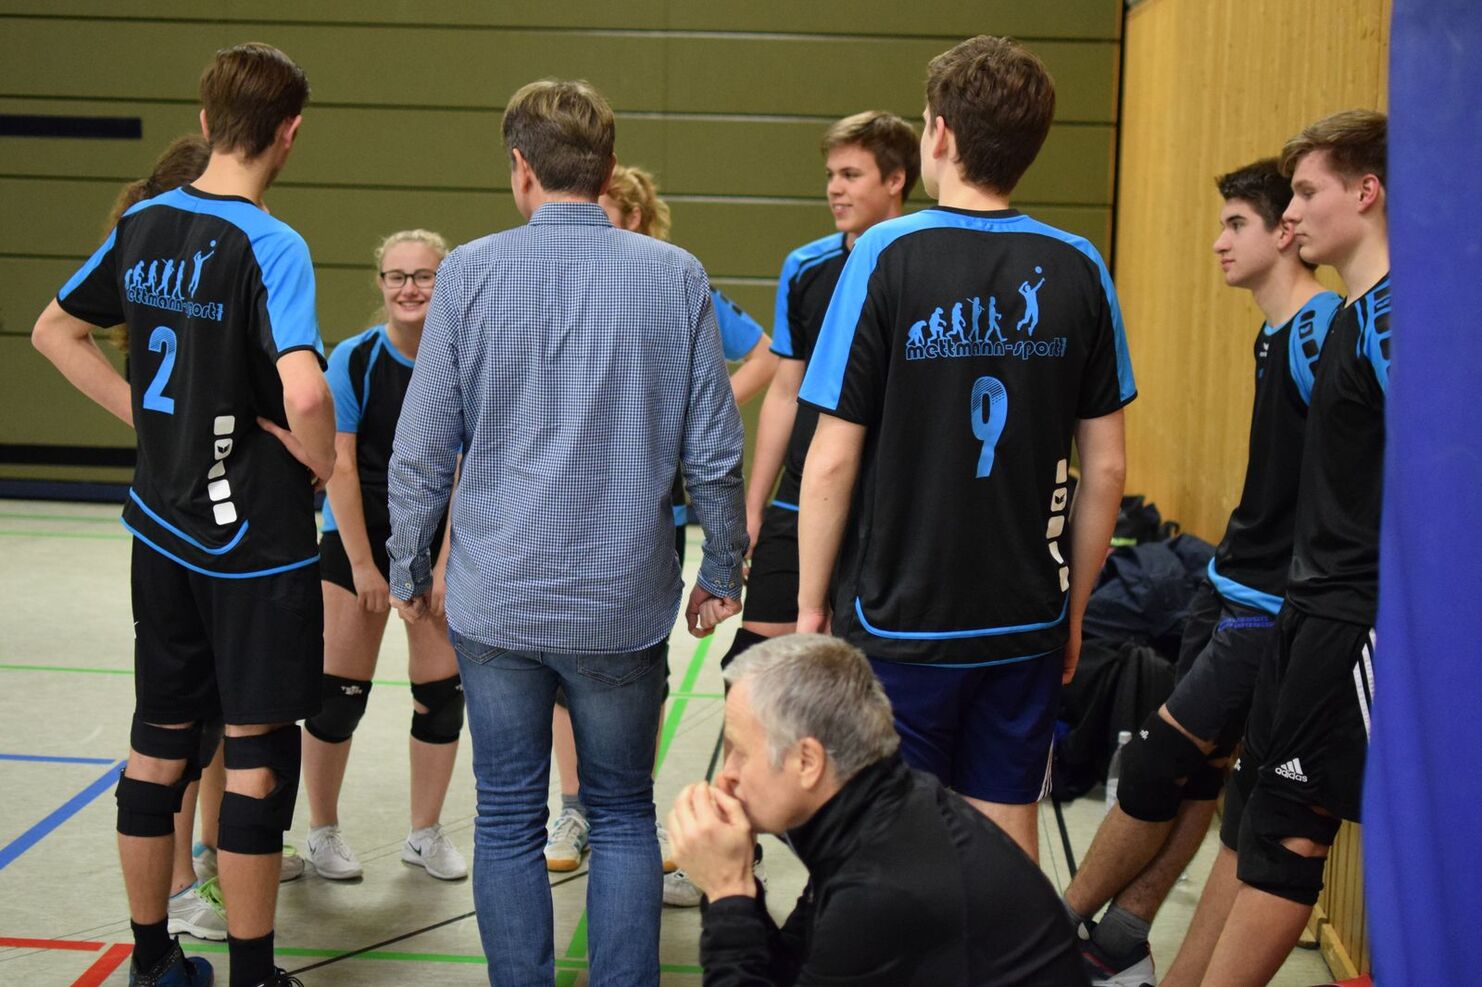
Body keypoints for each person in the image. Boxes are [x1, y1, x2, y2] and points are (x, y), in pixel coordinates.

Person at [385, 79, 746, 987]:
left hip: (496, 600)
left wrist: (406, 563)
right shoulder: (676, 276)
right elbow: (715, 450)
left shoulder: (467, 272)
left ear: (520, 169)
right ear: (609, 168)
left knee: (506, 813)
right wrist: (724, 565)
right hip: (623, 600)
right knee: (624, 811)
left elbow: (421, 449)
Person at [31, 42, 331, 987]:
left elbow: (54, 329)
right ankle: (253, 970)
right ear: (289, 134)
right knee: (254, 752)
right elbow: (308, 392)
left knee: (158, 740)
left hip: (157, 533)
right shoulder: (270, 244)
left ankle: (154, 958)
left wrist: (148, 418)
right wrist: (317, 462)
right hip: (253, 547)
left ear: (204, 123)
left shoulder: (145, 219)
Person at [795, 35, 1134, 862]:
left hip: (900, 615)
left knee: (891, 843)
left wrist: (809, 608)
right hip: (1025, 617)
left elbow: (833, 455)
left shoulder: (881, 254)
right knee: (1004, 833)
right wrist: (1076, 608)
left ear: (938, 135)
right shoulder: (1082, 265)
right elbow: (1109, 469)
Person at [1062, 160, 1340, 987]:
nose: (1218, 242)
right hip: (1227, 580)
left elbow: (1352, 474)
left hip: (1271, 605)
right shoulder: (1273, 329)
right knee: (1197, 778)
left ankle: (1055, 926)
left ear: (1285, 233)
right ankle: (1122, 944)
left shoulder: (1321, 328)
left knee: (1152, 763)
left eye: (1236, 225)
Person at [1199, 110, 1390, 987]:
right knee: (1252, 811)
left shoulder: (1396, 321)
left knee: (1288, 827)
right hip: (1304, 603)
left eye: (1308, 191)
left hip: (1355, 612)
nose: (1294, 212)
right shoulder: (1351, 317)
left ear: (1367, 190)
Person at [543, 163, 778, 875]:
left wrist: (710, 404)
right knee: (562, 652)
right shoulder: (564, 284)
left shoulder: (683, 287)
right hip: (574, 499)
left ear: (636, 217)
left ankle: (623, 801)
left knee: (640, 657)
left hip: (654, 504)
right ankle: (576, 804)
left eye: (605, 211)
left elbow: (768, 349)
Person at [667, 634, 1088, 985]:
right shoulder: (880, 811)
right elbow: (790, 968)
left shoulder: (883, 886)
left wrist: (727, 892)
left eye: (740, 751)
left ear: (807, 762)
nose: (726, 777)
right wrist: (741, 890)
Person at [720, 110, 918, 668]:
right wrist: (754, 508)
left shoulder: (923, 267)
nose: (835, 188)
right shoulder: (805, 268)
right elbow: (786, 391)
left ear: (896, 179)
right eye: (831, 174)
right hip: (801, 495)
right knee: (756, 671)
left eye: (851, 175)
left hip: (886, 506)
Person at [298, 229, 468, 883]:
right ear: (380, 284)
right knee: (338, 696)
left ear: (444, 280)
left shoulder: (462, 358)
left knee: (440, 697)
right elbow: (339, 466)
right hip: (357, 534)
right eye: (396, 276)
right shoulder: (357, 359)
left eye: (422, 275)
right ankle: (321, 831)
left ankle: (423, 834)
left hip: (436, 537)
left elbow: (464, 472)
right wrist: (366, 568)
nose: (408, 288)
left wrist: (446, 565)